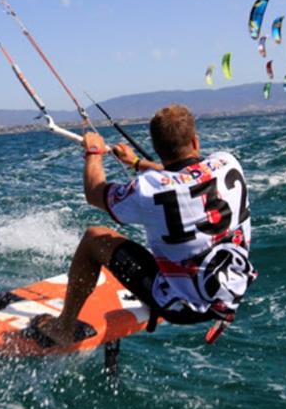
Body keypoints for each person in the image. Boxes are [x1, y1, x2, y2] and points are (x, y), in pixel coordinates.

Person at [29, 104, 256, 347]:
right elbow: (187, 175)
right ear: (195, 142)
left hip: (184, 307)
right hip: (230, 292)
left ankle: (63, 328)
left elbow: (95, 192)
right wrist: (136, 162)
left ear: (157, 148)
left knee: (94, 238)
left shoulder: (149, 188)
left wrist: (94, 152)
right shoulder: (228, 163)